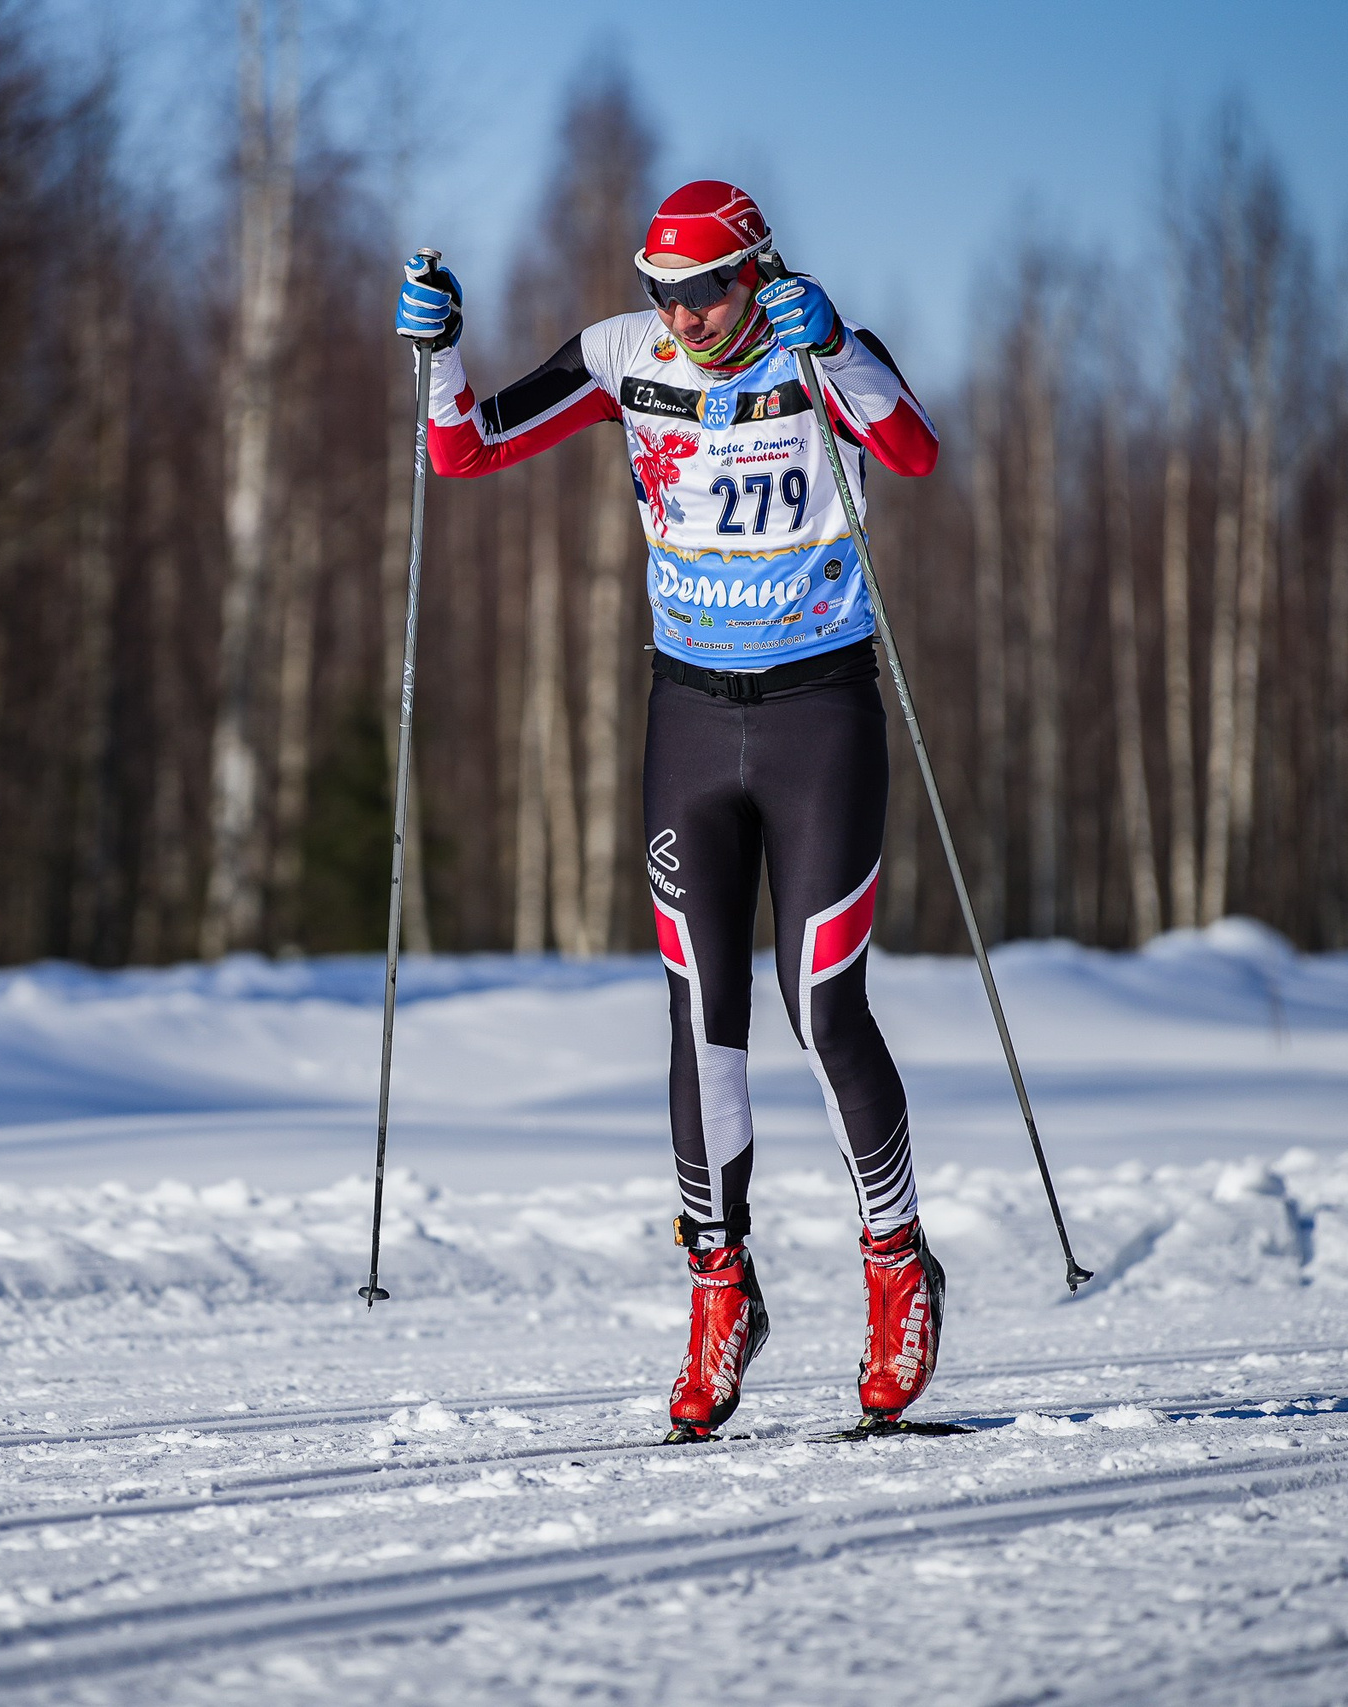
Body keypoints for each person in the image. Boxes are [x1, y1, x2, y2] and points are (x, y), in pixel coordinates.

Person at [395, 181, 944, 1440]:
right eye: (662, 292)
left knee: (822, 1003)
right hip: (690, 719)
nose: (682, 316)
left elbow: (913, 451)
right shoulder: (622, 356)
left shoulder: (815, 345)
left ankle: (897, 1267)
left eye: (703, 291)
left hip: (818, 714)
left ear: (756, 275)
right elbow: (463, 449)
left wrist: (836, 349)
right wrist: (441, 353)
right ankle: (718, 1289)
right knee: (701, 1020)